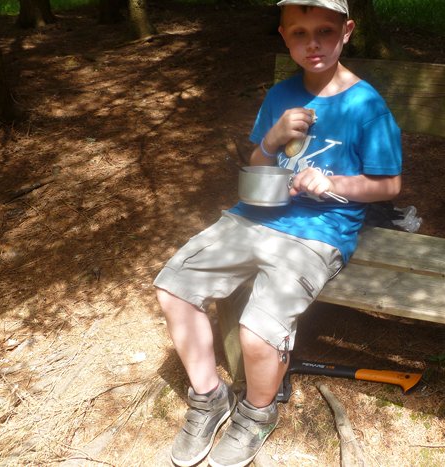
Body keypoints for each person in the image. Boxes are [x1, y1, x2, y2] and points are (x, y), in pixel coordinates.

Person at [153, 0, 402, 465]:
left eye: (325, 31)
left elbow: (389, 185)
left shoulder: (366, 106)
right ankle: (209, 397)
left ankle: (257, 413)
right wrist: (271, 139)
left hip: (318, 231)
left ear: (347, 31)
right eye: (300, 33)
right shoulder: (281, 95)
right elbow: (258, 166)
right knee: (174, 287)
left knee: (258, 331)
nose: (313, 43)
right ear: (285, 37)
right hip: (255, 217)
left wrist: (334, 183)